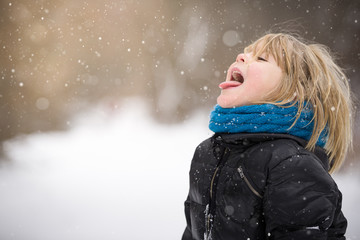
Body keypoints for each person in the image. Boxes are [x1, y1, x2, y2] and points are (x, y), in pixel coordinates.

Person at [181, 33, 353, 240]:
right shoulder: (208, 152)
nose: (240, 57)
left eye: (261, 58)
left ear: (293, 91)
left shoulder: (292, 165)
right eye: (245, 53)